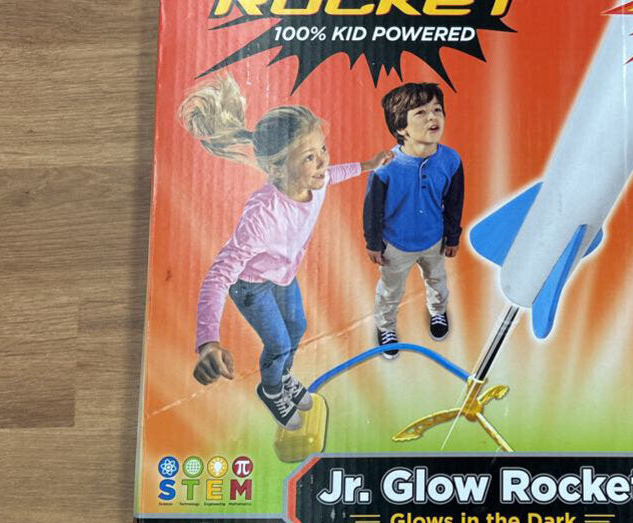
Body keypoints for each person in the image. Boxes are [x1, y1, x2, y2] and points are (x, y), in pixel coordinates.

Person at [182, 76, 391, 428]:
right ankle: (271, 389)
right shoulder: (262, 216)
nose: (322, 161)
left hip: (282, 274)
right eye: (309, 157)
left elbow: (333, 174)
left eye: (322, 148)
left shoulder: (315, 181)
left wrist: (368, 165)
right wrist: (207, 342)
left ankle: (281, 377)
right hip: (251, 285)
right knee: (278, 342)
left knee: (297, 326)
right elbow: (218, 276)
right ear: (277, 168)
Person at [363, 82, 464, 358]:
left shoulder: (451, 160)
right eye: (421, 112)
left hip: (434, 240)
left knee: (437, 280)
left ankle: (438, 312)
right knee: (390, 290)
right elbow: (372, 209)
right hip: (396, 244)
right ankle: (385, 326)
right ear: (401, 127)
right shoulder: (385, 167)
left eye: (437, 109)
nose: (433, 117)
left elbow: (454, 201)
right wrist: (373, 243)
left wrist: (452, 236)